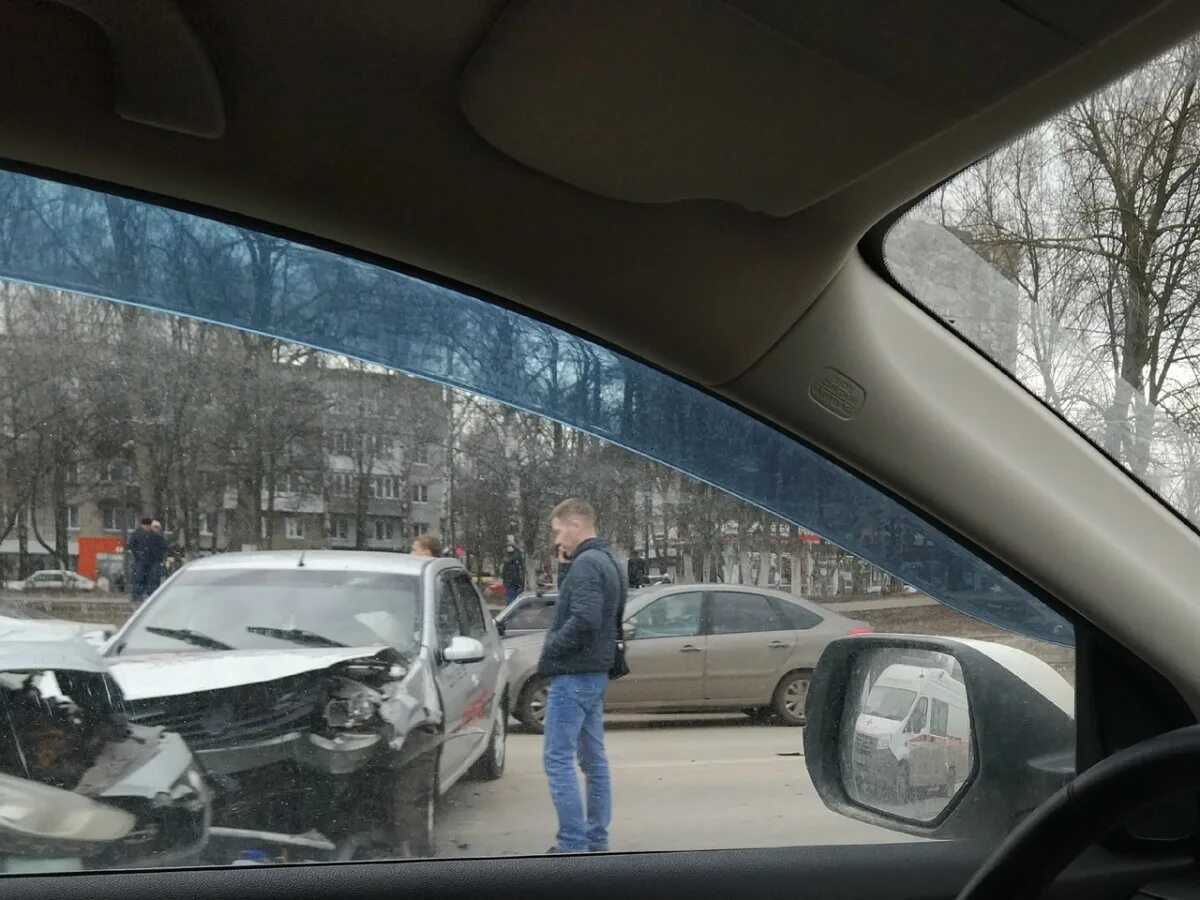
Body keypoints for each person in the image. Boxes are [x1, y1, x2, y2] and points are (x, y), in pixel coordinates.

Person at [537, 498, 625, 854]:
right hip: (595, 672)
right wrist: (564, 569)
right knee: (593, 760)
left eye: (559, 531)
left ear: (576, 525)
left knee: (557, 760)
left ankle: (571, 844)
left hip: (574, 675)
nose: (557, 540)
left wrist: (553, 647)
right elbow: (585, 604)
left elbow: (585, 618)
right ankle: (595, 839)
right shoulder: (607, 560)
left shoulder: (588, 564)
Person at [127, 517, 167, 605]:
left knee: (152, 580)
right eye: (146, 526)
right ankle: (137, 598)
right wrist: (137, 555)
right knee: (139, 580)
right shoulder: (137, 534)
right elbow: (131, 546)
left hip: (152, 562)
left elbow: (163, 547)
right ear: (142, 525)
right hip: (141, 561)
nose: (147, 527)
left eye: (148, 526)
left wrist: (158, 557)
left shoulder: (155, 535)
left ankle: (151, 597)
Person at [501, 540, 526, 605]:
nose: (508, 548)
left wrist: (520, 581)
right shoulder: (506, 556)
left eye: (510, 546)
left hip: (515, 581)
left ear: (513, 547)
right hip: (510, 581)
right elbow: (504, 570)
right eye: (507, 546)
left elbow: (520, 570)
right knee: (510, 597)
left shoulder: (517, 556)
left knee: (513, 598)